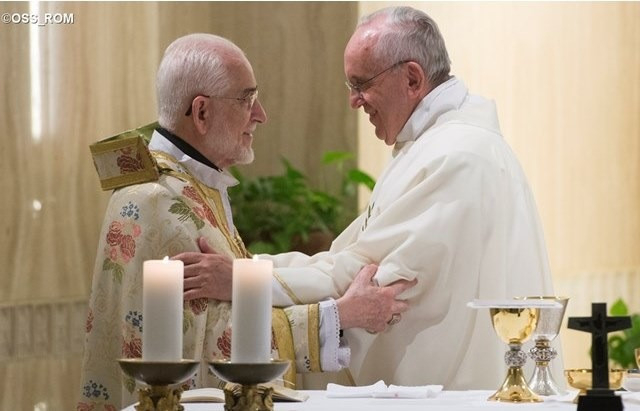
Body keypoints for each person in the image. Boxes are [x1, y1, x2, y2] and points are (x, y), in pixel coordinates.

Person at [182, 6, 557, 390]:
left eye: (361, 84)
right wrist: (250, 267)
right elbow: (346, 256)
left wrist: (243, 279)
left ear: (412, 78)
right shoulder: (433, 147)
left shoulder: (455, 157)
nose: (354, 101)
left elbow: (368, 283)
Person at [78, 33, 413, 410]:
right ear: (201, 112)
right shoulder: (158, 202)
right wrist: (341, 315)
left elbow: (220, 319)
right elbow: (203, 352)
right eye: (247, 99)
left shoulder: (189, 187)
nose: (261, 114)